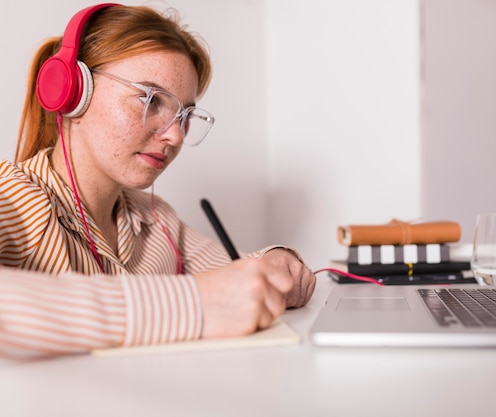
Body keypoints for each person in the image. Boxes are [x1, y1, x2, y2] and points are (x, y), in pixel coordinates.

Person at [0, 3, 316, 360]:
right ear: (74, 93)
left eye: (185, 114)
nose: (176, 137)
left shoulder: (156, 220)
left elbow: (233, 276)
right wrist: (192, 305)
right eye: (150, 99)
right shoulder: (12, 199)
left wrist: (276, 261)